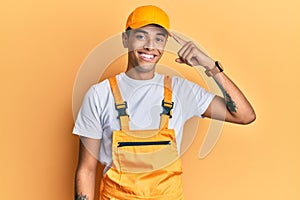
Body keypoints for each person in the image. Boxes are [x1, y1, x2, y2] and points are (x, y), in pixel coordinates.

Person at [73, 5, 256, 200]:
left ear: (165, 44)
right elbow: (86, 170)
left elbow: (244, 115)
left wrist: (210, 66)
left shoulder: (181, 91)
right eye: (141, 36)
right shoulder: (100, 95)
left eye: (159, 38)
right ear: (126, 39)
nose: (150, 46)